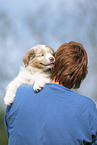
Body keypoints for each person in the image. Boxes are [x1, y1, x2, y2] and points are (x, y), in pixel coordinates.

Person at [4, 41, 97, 145]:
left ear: (54, 64)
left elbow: (11, 133)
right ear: (81, 75)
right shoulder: (87, 108)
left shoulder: (18, 93)